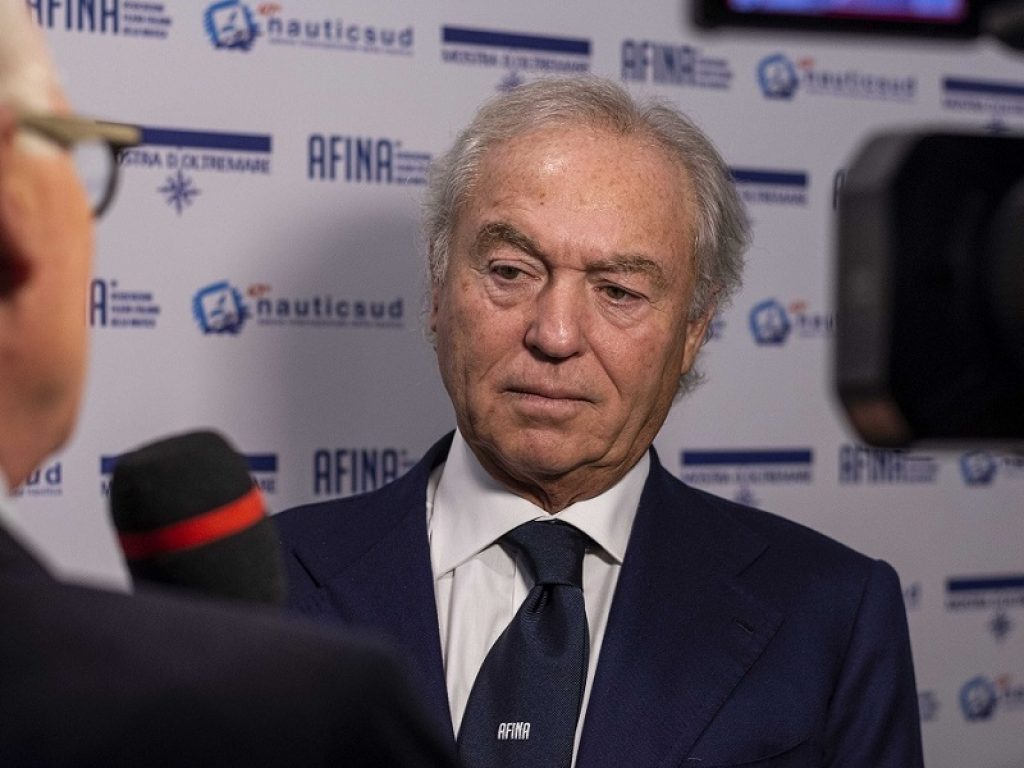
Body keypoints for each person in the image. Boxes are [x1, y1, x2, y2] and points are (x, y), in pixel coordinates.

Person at [275, 75, 924, 767]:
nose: (555, 335)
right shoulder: (256, 588)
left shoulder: (833, 613)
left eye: (618, 290)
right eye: (510, 271)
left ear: (693, 330)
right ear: (438, 288)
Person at [0, 3, 455, 765]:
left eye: (617, 289)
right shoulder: (299, 709)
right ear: (13, 201)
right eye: (77, 151)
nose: (555, 333)